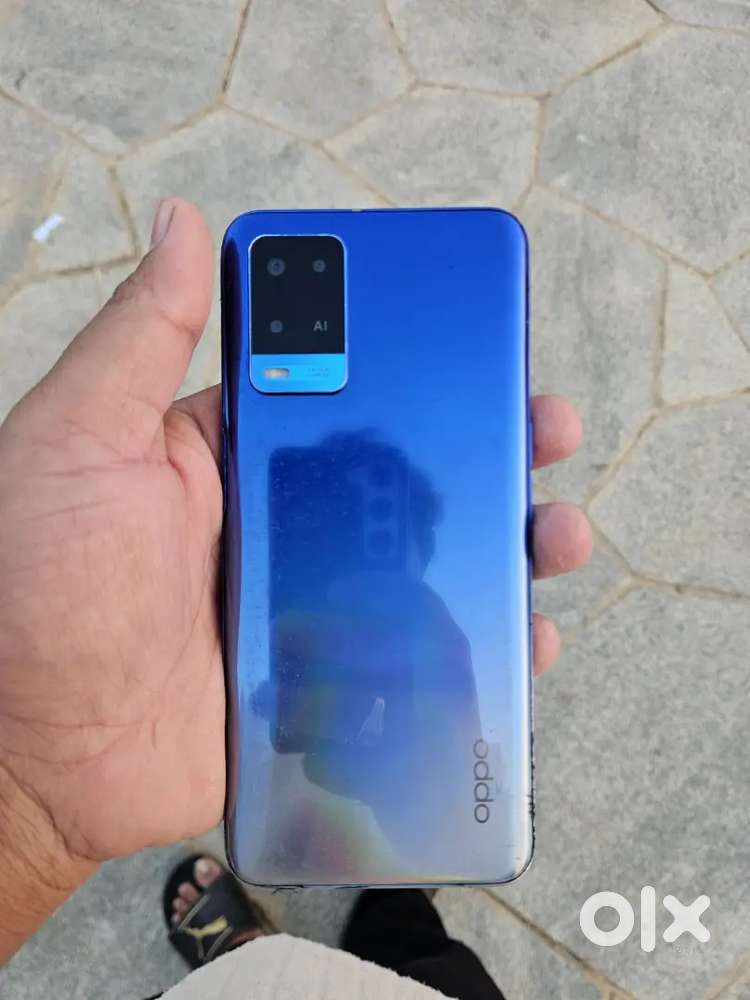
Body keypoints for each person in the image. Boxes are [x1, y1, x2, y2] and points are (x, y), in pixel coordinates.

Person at [0, 199, 592, 998]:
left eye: (389, 530)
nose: (371, 557)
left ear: (421, 560)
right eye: (351, 517)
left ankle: (281, 943)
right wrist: (27, 792)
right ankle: (388, 912)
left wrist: (29, 799)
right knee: (430, 963)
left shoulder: (431, 648)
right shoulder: (286, 653)